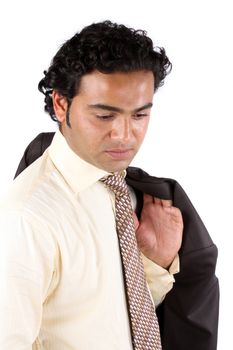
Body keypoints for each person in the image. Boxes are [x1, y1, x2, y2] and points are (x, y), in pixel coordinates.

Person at [0, 21, 218, 350]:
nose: (124, 135)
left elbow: (102, 321)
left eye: (140, 115)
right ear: (61, 105)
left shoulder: (127, 191)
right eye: (104, 116)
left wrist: (154, 266)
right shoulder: (27, 218)